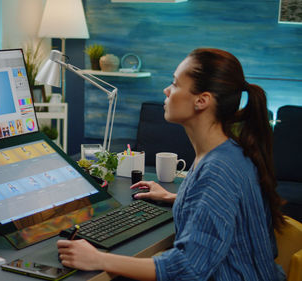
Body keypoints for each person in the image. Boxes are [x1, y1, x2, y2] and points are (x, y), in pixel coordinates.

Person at [57, 48, 285, 281]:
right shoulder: (230, 152)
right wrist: (180, 198)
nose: (167, 90)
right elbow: (224, 207)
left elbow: (189, 268)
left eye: (175, 84)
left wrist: (99, 259)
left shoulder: (218, 170)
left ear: (202, 100)